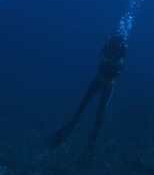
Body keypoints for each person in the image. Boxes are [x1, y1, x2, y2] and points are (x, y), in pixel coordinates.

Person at [50, 33, 126, 165]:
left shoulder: (122, 49)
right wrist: (109, 62)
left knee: (100, 109)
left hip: (108, 83)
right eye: (116, 40)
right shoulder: (108, 45)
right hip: (99, 80)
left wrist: (114, 64)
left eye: (119, 41)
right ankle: (75, 122)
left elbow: (121, 64)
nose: (117, 43)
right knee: (85, 102)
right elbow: (102, 58)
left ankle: (92, 135)